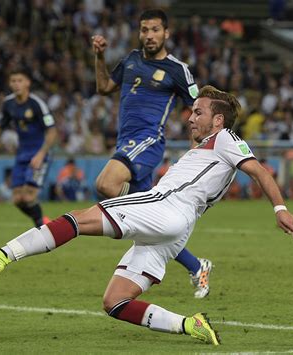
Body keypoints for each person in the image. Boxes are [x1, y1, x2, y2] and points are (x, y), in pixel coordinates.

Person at [0, 86, 293, 345]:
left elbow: (260, 172)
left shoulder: (224, 138)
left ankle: (0, 255)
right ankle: (190, 325)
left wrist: (280, 209)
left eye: (198, 111)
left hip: (164, 206)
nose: (191, 116)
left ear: (217, 119)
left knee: (76, 219)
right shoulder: (207, 147)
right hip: (177, 229)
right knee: (115, 301)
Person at [91, 9, 211, 298]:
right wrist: (98, 57)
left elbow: (198, 108)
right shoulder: (131, 59)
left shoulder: (176, 69)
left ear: (166, 33)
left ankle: (137, 219)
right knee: (152, 224)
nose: (149, 35)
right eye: (144, 30)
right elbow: (105, 87)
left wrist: (197, 149)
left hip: (148, 140)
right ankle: (198, 266)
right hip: (125, 142)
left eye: (155, 30)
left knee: (105, 185)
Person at [0, 68, 57, 227]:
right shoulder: (8, 103)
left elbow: (52, 131)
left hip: (39, 153)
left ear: (28, 83)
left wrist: (41, 154)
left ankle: (44, 226)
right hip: (22, 154)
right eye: (13, 81)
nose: (16, 84)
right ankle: (41, 222)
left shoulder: (37, 104)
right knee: (17, 199)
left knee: (28, 196)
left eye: (20, 80)